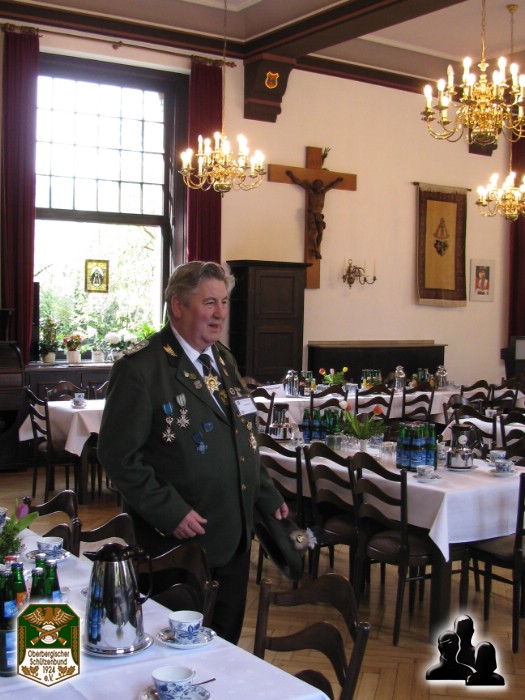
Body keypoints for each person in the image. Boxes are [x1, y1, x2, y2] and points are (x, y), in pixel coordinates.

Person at [97, 261, 288, 644]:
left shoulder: (224, 360)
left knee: (225, 646)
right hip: (176, 545)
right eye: (209, 303)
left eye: (224, 302)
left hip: (232, 536)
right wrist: (170, 511)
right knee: (173, 650)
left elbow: (242, 438)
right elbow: (118, 456)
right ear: (178, 306)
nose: (220, 313)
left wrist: (267, 494)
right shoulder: (141, 369)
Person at [285, 170, 343, 259]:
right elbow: (299, 182)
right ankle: (316, 250)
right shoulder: (311, 192)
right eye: (316, 185)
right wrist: (291, 175)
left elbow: (331, 186)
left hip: (319, 215)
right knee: (313, 232)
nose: (318, 186)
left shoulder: (323, 193)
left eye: (320, 185)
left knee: (320, 232)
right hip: (312, 214)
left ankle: (316, 249)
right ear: (314, 186)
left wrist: (338, 181)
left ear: (322, 186)